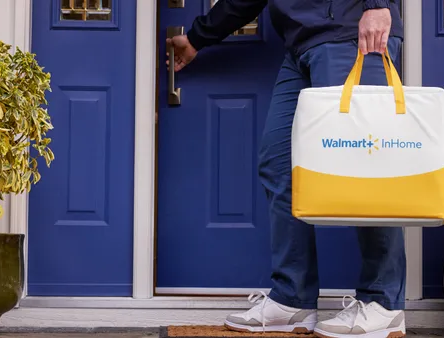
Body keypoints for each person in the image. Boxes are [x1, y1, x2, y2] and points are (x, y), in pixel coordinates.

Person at [166, 1, 406, 337]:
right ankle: (293, 299)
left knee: (367, 166)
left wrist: (378, 6)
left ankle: (383, 302)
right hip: (301, 47)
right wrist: (196, 37)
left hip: (353, 33)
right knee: (279, 163)